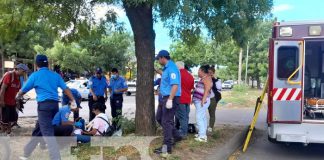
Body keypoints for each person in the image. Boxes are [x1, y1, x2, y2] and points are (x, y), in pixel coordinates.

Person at [17, 54, 76, 160]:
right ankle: (26, 153)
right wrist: (73, 99)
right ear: (47, 64)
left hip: (44, 107)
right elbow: (66, 89)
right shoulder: (55, 75)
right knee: (39, 129)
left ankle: (55, 157)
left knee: (48, 133)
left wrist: (17, 97)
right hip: (54, 106)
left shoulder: (35, 76)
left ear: (36, 64)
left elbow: (23, 90)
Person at [154, 50, 183, 157]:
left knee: (167, 122)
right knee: (159, 118)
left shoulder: (172, 68)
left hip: (171, 98)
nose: (158, 61)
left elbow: (175, 85)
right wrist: (158, 71)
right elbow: (166, 77)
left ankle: (167, 147)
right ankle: (176, 135)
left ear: (162, 58)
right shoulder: (166, 68)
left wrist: (170, 99)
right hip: (163, 98)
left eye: (158, 59)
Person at [0, 64, 29, 134]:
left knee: (13, 118)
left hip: (12, 102)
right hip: (5, 101)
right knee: (4, 119)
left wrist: (18, 102)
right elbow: (2, 90)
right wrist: (1, 101)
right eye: (23, 71)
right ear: (18, 69)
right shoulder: (9, 75)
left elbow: (17, 91)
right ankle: (3, 132)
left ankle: (8, 131)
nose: (24, 73)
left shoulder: (19, 78)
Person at [192, 65, 212, 142]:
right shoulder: (204, 78)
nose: (198, 72)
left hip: (202, 101)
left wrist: (203, 100)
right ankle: (202, 133)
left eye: (199, 71)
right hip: (199, 100)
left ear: (202, 71)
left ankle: (202, 136)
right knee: (202, 117)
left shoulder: (206, 78)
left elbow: (207, 89)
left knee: (199, 117)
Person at [175, 61, 194, 138]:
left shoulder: (177, 75)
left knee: (182, 116)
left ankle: (183, 133)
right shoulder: (190, 76)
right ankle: (182, 130)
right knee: (186, 116)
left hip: (180, 98)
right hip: (187, 98)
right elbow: (191, 88)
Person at [108, 68, 128, 136]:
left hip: (118, 97)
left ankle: (119, 127)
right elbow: (110, 87)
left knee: (118, 112)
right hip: (112, 97)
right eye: (112, 73)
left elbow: (126, 88)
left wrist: (119, 90)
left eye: (114, 73)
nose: (113, 75)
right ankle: (114, 126)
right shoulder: (111, 79)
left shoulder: (122, 79)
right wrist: (110, 93)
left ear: (117, 73)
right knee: (113, 112)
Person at [208, 66, 222, 132]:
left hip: (213, 98)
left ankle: (211, 127)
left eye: (211, 73)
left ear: (213, 73)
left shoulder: (217, 80)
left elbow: (219, 88)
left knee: (212, 113)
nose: (209, 74)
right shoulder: (205, 78)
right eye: (208, 72)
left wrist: (215, 79)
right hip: (205, 98)